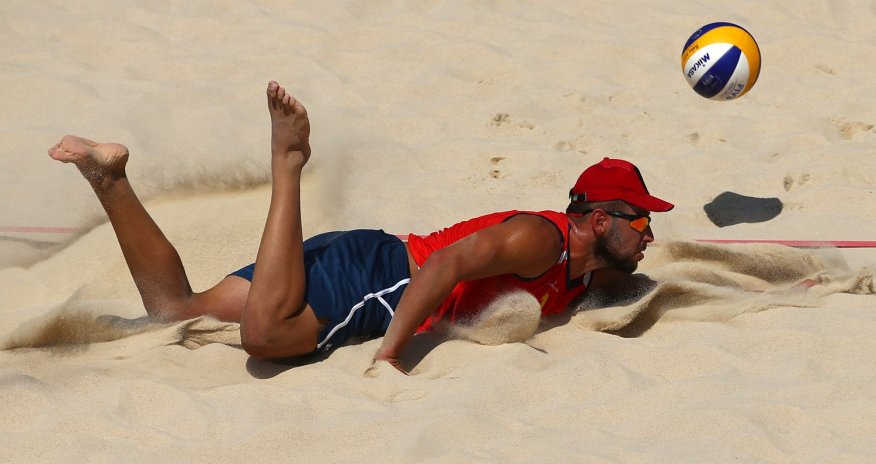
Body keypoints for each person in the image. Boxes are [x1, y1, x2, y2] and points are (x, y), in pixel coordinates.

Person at [48, 81, 673, 373]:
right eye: (642, 220)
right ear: (598, 219)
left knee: (173, 311)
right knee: (264, 338)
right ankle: (287, 164)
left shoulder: (584, 275)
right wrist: (392, 353)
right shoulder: (540, 238)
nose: (650, 235)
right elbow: (449, 264)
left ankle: (110, 179)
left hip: (359, 254)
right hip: (382, 278)